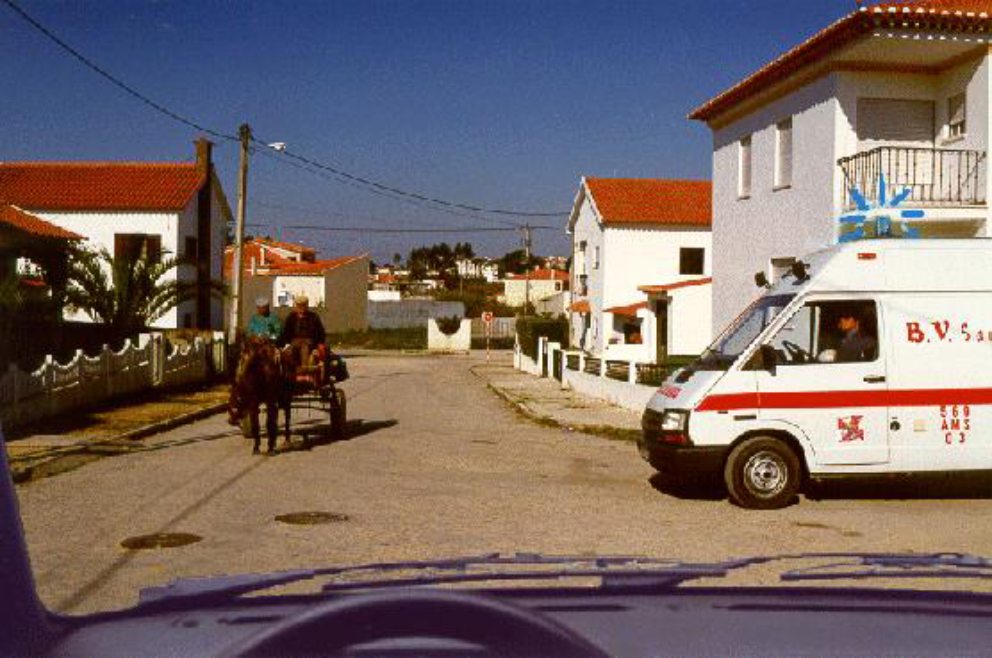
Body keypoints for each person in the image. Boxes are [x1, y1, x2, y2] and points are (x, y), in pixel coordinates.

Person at [278, 295, 326, 376]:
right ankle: (290, 371)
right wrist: (282, 344)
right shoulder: (291, 317)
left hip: (309, 342)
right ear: (296, 306)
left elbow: (320, 333)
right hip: (294, 341)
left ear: (306, 306)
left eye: (303, 305)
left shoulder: (313, 317)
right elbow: (285, 332)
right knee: (288, 352)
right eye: (299, 306)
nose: (301, 308)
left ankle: (304, 370)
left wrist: (318, 346)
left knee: (304, 346)